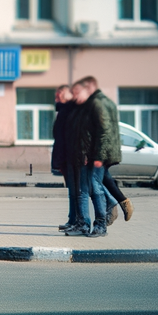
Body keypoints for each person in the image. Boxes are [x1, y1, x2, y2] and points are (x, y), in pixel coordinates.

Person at [70, 77, 120, 237]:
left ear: (87, 89)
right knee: (82, 191)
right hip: (83, 156)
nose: (74, 96)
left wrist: (98, 157)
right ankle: (84, 225)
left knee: (96, 189)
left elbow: (103, 132)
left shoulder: (96, 105)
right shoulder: (84, 108)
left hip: (94, 158)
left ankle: (101, 224)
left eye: (76, 92)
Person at [52, 86, 80, 232]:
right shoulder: (63, 110)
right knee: (72, 190)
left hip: (72, 156)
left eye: (61, 93)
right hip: (65, 157)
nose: (57, 96)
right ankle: (72, 219)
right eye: (57, 94)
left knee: (77, 191)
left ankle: (78, 221)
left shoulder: (71, 110)